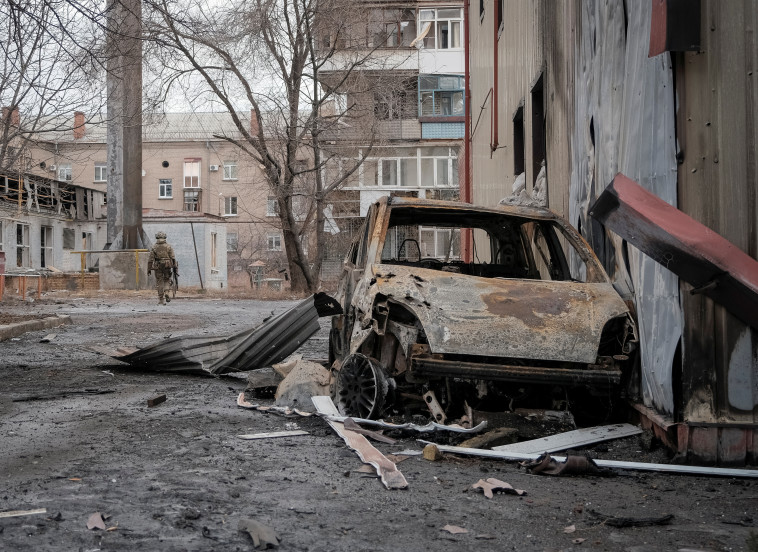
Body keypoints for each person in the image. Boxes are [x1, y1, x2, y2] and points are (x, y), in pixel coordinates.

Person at [148, 231, 177, 305]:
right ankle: (166, 292)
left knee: (159, 281)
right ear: (164, 238)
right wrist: (174, 267)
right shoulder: (168, 246)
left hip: (158, 265)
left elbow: (150, 259)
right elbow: (173, 258)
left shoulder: (154, 247)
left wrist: (149, 269)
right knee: (167, 279)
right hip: (167, 265)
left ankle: (161, 300)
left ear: (157, 238)